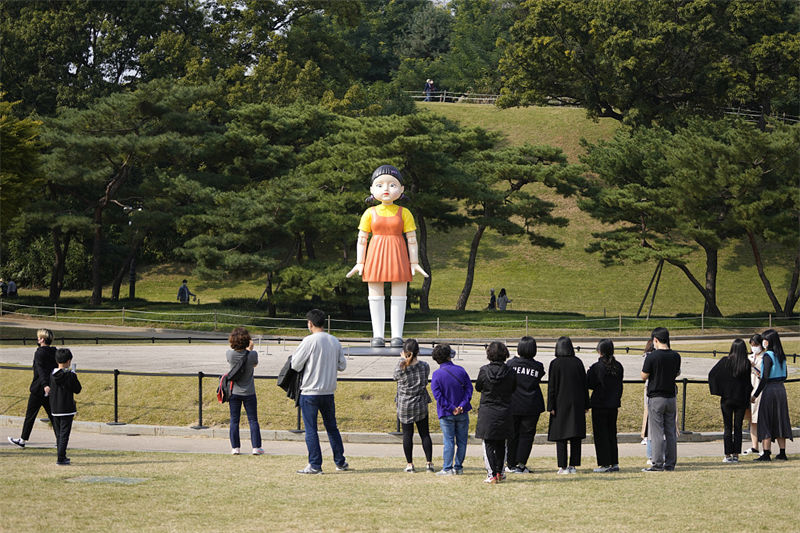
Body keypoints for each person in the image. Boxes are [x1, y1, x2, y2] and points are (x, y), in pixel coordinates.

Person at [346, 165, 428, 348]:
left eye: (392, 185)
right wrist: (360, 262)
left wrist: (414, 261)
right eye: (380, 185)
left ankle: (397, 335)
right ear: (372, 189)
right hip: (375, 254)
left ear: (402, 189)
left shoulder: (405, 213)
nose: (386, 189)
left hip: (398, 253)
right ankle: (378, 335)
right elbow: (362, 239)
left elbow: (412, 239)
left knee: (399, 294)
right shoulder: (369, 213)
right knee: (375, 294)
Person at [291, 309, 349, 474]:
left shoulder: (309, 341)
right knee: (332, 428)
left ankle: (315, 464)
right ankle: (340, 461)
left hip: (310, 391)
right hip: (328, 391)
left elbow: (295, 364)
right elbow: (342, 366)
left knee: (311, 430)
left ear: (310, 324)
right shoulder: (334, 341)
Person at [8, 328, 58, 448]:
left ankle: (22, 440)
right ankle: (60, 440)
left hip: (39, 388)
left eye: (39, 337)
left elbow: (40, 370)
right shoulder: (54, 352)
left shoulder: (39, 352)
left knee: (30, 415)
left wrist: (45, 385)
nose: (38, 339)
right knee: (53, 415)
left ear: (43, 339)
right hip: (50, 387)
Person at [547, 336, 589, 474]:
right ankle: (573, 465)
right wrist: (586, 404)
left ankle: (563, 466)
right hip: (577, 402)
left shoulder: (555, 363)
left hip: (559, 403)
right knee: (575, 434)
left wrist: (550, 406)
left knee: (561, 435)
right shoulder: (578, 362)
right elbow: (584, 385)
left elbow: (552, 386)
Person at [641, 327, 681, 472]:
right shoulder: (676, 356)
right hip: (671, 397)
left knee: (657, 432)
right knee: (670, 431)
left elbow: (643, 375)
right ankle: (670, 463)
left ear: (655, 340)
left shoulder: (652, 357)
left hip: (656, 397)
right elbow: (677, 373)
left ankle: (657, 463)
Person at [475, 341, 516, 484]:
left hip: (488, 410)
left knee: (488, 443)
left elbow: (478, 387)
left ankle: (491, 473)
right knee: (501, 443)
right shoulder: (510, 371)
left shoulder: (484, 370)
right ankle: (499, 472)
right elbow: (513, 388)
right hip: (504, 409)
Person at [430, 343, 473, 476]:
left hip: (446, 412)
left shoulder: (437, 375)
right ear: (450, 355)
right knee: (462, 442)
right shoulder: (461, 370)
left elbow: (438, 396)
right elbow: (469, 389)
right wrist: (462, 405)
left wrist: (451, 408)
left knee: (448, 441)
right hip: (462, 411)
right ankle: (458, 467)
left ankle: (447, 468)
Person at [505, 336, 545, 473]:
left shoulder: (511, 364)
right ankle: (521, 465)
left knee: (512, 435)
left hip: (513, 403)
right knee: (527, 436)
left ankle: (510, 464)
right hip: (532, 404)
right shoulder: (538, 366)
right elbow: (538, 376)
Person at [708, 338, 752, 463]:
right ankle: (736, 454)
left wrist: (719, 390)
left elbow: (712, 374)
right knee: (738, 427)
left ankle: (727, 454)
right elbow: (747, 383)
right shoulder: (746, 363)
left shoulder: (725, 361)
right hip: (741, 399)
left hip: (727, 399)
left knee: (727, 427)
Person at [751, 329, 792, 462]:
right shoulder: (781, 355)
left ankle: (766, 452)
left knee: (766, 419)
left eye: (765, 339)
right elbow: (785, 375)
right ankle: (782, 452)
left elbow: (764, 378)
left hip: (769, 390)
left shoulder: (767, 356)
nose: (763, 342)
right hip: (781, 389)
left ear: (769, 341)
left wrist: (755, 395)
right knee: (780, 419)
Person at [393, 338, 434, 473]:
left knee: (407, 435)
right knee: (425, 434)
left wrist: (402, 359)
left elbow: (395, 376)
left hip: (405, 404)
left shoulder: (401, 366)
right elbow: (425, 380)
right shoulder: (424, 366)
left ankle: (410, 464)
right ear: (418, 351)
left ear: (404, 352)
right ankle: (429, 463)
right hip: (420, 403)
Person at [588, 339, 624, 473]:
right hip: (613, 404)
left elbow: (589, 383)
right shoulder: (618, 366)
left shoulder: (597, 367)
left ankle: (604, 463)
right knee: (611, 433)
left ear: (600, 351)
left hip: (599, 404)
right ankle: (614, 462)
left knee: (600, 434)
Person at [226, 327, 263, 455]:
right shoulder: (253, 354)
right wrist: (249, 350)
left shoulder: (230, 354)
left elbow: (231, 360)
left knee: (234, 420)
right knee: (253, 420)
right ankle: (256, 447)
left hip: (234, 391)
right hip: (249, 391)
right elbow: (254, 364)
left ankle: (235, 447)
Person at [49, 348, 81, 465]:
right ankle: (61, 457)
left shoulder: (52, 375)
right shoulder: (70, 376)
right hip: (67, 408)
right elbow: (77, 389)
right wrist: (74, 376)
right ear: (68, 361)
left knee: (59, 434)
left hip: (55, 407)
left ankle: (61, 455)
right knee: (64, 435)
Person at [743, 333, 764, 456]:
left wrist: (754, 367)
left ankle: (765, 447)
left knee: (762, 418)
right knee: (752, 420)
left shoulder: (765, 357)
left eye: (755, 345)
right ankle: (754, 446)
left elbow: (765, 375)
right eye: (752, 345)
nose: (753, 347)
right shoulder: (749, 357)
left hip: (760, 390)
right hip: (749, 390)